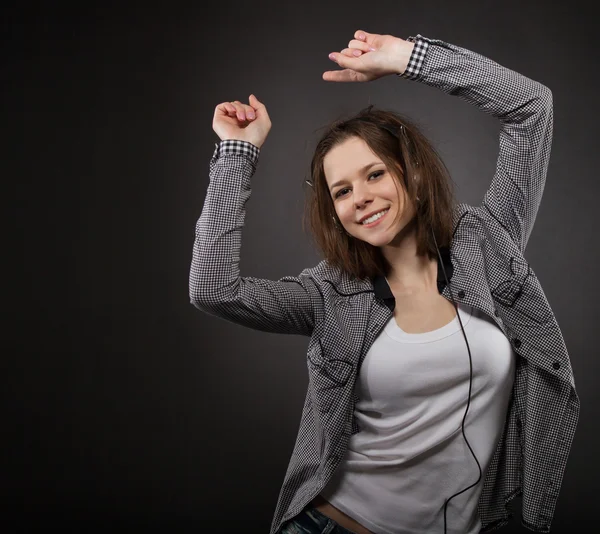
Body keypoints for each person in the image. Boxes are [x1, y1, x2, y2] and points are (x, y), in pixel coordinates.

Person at [190, 29, 579, 534]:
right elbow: (213, 288)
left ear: (412, 174)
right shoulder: (327, 296)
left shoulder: (486, 243)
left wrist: (407, 58)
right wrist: (238, 153)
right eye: (343, 190)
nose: (361, 198)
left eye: (375, 175)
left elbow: (532, 108)